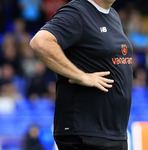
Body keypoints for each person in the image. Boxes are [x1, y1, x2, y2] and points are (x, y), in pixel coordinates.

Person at [30, 0, 133, 149]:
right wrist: (80, 75)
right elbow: (40, 42)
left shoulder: (113, 15)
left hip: (113, 133)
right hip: (85, 133)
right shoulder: (77, 12)